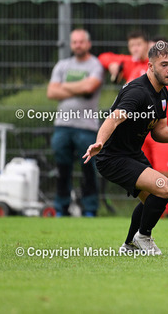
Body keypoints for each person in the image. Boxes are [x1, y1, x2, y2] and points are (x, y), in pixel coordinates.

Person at [83, 44, 168, 255]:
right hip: (112, 157)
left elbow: (158, 131)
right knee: (164, 188)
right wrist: (99, 142)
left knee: (153, 197)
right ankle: (143, 237)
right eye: (164, 65)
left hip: (131, 154)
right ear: (150, 66)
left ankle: (129, 245)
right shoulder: (138, 92)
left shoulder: (162, 93)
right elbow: (113, 119)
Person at [99, 32, 168, 218]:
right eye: (132, 46)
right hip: (140, 132)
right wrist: (114, 65)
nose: (136, 49)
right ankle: (151, 219)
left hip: (164, 126)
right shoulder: (134, 65)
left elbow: (159, 88)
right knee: (146, 178)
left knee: (164, 173)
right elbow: (104, 57)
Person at [47, 28, 104, 217]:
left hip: (86, 127)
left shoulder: (95, 65)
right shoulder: (62, 65)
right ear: (71, 44)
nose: (77, 45)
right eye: (74, 42)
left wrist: (63, 86)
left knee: (88, 169)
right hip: (62, 126)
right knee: (62, 168)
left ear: (88, 44)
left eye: (81, 42)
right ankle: (61, 207)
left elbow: (90, 86)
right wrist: (79, 87)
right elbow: (51, 92)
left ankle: (90, 208)